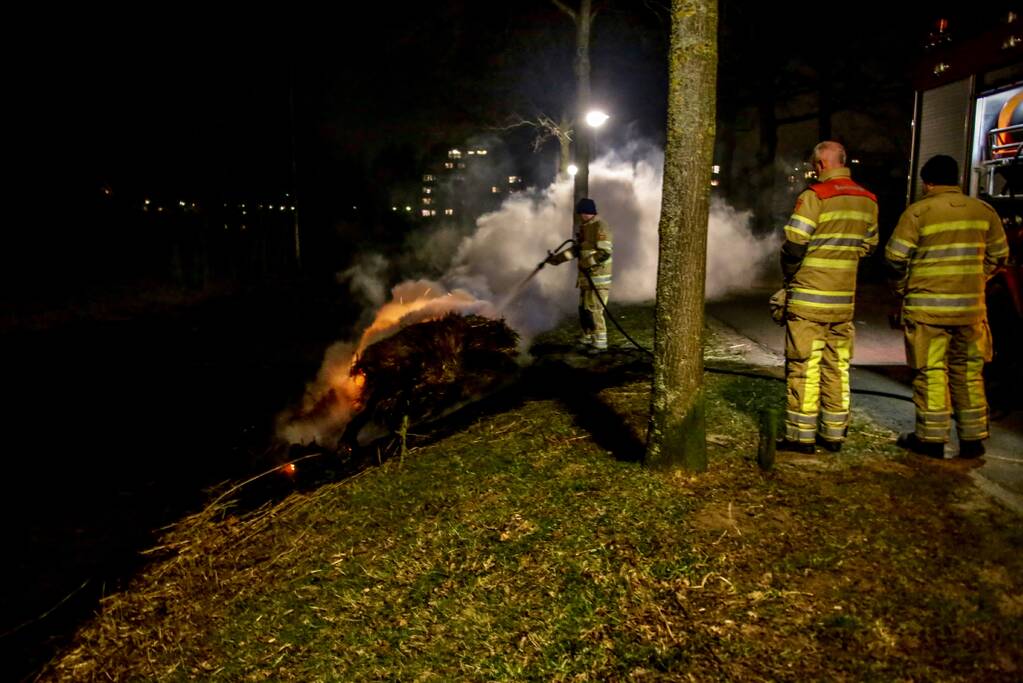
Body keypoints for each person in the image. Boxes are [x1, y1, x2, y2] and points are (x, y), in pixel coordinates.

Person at [885, 154, 1010, 458]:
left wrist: (904, 288)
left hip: (928, 312)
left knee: (931, 371)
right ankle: (972, 438)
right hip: (970, 312)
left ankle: (930, 439)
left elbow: (895, 257)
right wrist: (977, 280)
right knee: (968, 372)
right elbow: (1000, 255)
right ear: (958, 180)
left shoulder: (918, 213)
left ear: (927, 182)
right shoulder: (984, 211)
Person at [776, 141, 879, 454]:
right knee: (837, 366)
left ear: (820, 164)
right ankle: (834, 434)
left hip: (809, 300)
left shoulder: (815, 196)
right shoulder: (868, 200)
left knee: (805, 365)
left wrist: (791, 277)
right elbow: (869, 245)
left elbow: (794, 245)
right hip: (843, 302)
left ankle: (800, 437)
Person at [546, 197, 614, 353]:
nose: (581, 216)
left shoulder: (600, 226)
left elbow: (605, 253)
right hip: (585, 280)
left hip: (598, 279)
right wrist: (555, 260)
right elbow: (575, 251)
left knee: (594, 309)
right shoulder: (584, 229)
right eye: (580, 213)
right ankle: (588, 337)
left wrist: (587, 263)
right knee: (584, 310)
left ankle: (600, 343)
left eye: (583, 213)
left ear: (589, 212)